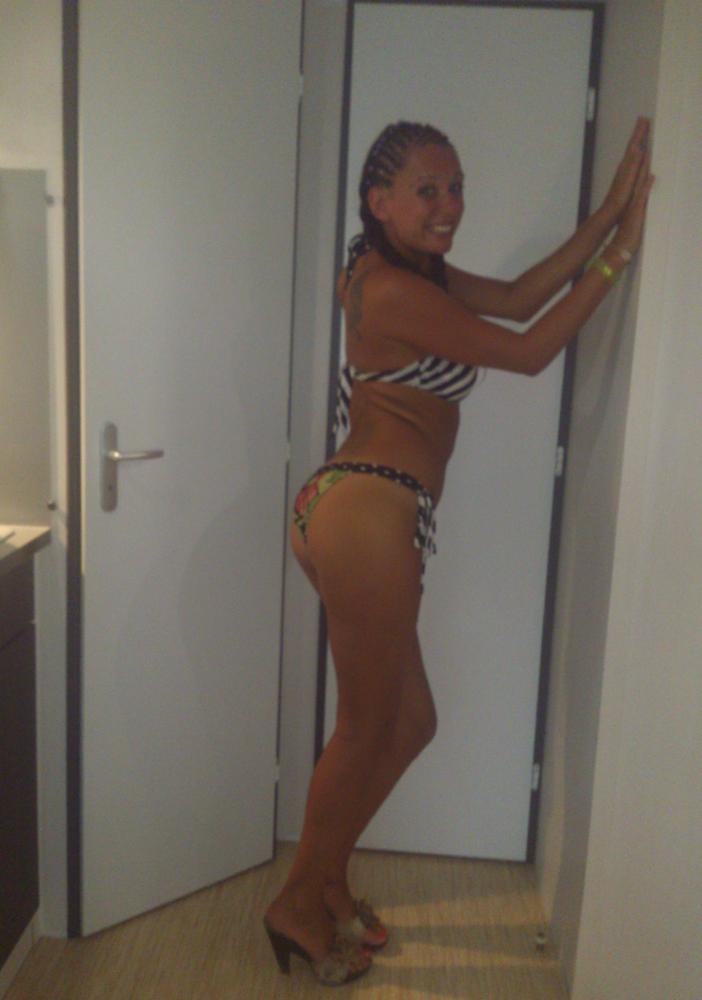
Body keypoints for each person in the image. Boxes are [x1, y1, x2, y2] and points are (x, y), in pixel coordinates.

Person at [264, 117, 653, 985]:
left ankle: (325, 881)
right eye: (427, 191)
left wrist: (607, 213)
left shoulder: (407, 274)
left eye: (456, 187)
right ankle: (297, 901)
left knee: (408, 723)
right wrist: (621, 253)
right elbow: (528, 349)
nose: (449, 205)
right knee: (366, 726)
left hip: (360, 506)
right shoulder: (391, 290)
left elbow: (513, 297)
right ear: (379, 201)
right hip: (368, 511)